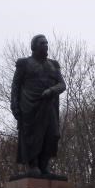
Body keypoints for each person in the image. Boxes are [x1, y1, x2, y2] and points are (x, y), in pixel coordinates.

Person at [11, 34, 66, 177]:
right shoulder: (24, 63)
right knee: (32, 136)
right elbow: (16, 85)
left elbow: (62, 85)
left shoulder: (53, 65)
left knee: (53, 135)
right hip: (29, 106)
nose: (46, 46)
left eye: (47, 43)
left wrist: (51, 90)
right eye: (42, 43)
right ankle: (33, 165)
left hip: (48, 106)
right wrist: (15, 106)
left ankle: (44, 166)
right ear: (34, 46)